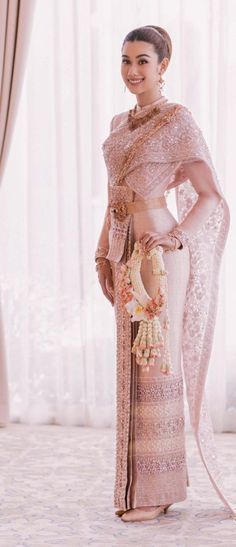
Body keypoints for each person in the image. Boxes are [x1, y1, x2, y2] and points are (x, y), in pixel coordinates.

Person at [95, 25, 236, 522]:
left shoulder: (178, 120)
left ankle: (157, 489)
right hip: (122, 249)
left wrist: (176, 237)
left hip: (157, 256)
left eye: (143, 62)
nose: (133, 71)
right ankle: (144, 486)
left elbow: (210, 194)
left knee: (155, 366)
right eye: (126, 60)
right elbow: (114, 197)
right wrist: (101, 254)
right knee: (131, 372)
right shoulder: (119, 122)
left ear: (163, 66)